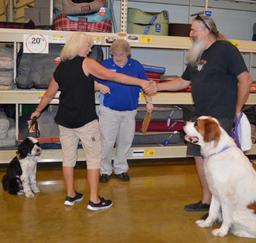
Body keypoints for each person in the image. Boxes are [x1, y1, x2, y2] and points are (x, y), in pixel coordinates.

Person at [30, 32, 154, 211]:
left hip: (65, 121)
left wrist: (37, 111)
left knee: (68, 160)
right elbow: (114, 77)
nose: (90, 48)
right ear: (79, 46)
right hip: (86, 121)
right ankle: (94, 200)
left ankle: (71, 195)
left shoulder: (61, 67)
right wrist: (141, 83)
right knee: (94, 160)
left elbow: (49, 94)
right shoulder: (87, 63)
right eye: (88, 45)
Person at [145, 15, 252, 213]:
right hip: (200, 117)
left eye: (194, 30)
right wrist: (157, 87)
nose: (190, 34)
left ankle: (224, 206)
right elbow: (183, 82)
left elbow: (245, 79)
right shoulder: (197, 54)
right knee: (199, 158)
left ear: (207, 29)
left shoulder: (226, 49)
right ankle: (207, 201)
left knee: (220, 165)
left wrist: (237, 109)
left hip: (221, 117)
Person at [96, 39, 153, 183]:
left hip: (129, 111)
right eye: (115, 54)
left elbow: (146, 85)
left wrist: (149, 102)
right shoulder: (105, 65)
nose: (118, 57)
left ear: (128, 53)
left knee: (125, 141)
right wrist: (99, 86)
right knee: (107, 142)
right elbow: (91, 80)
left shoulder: (136, 66)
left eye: (121, 54)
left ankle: (120, 169)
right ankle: (105, 170)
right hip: (109, 111)